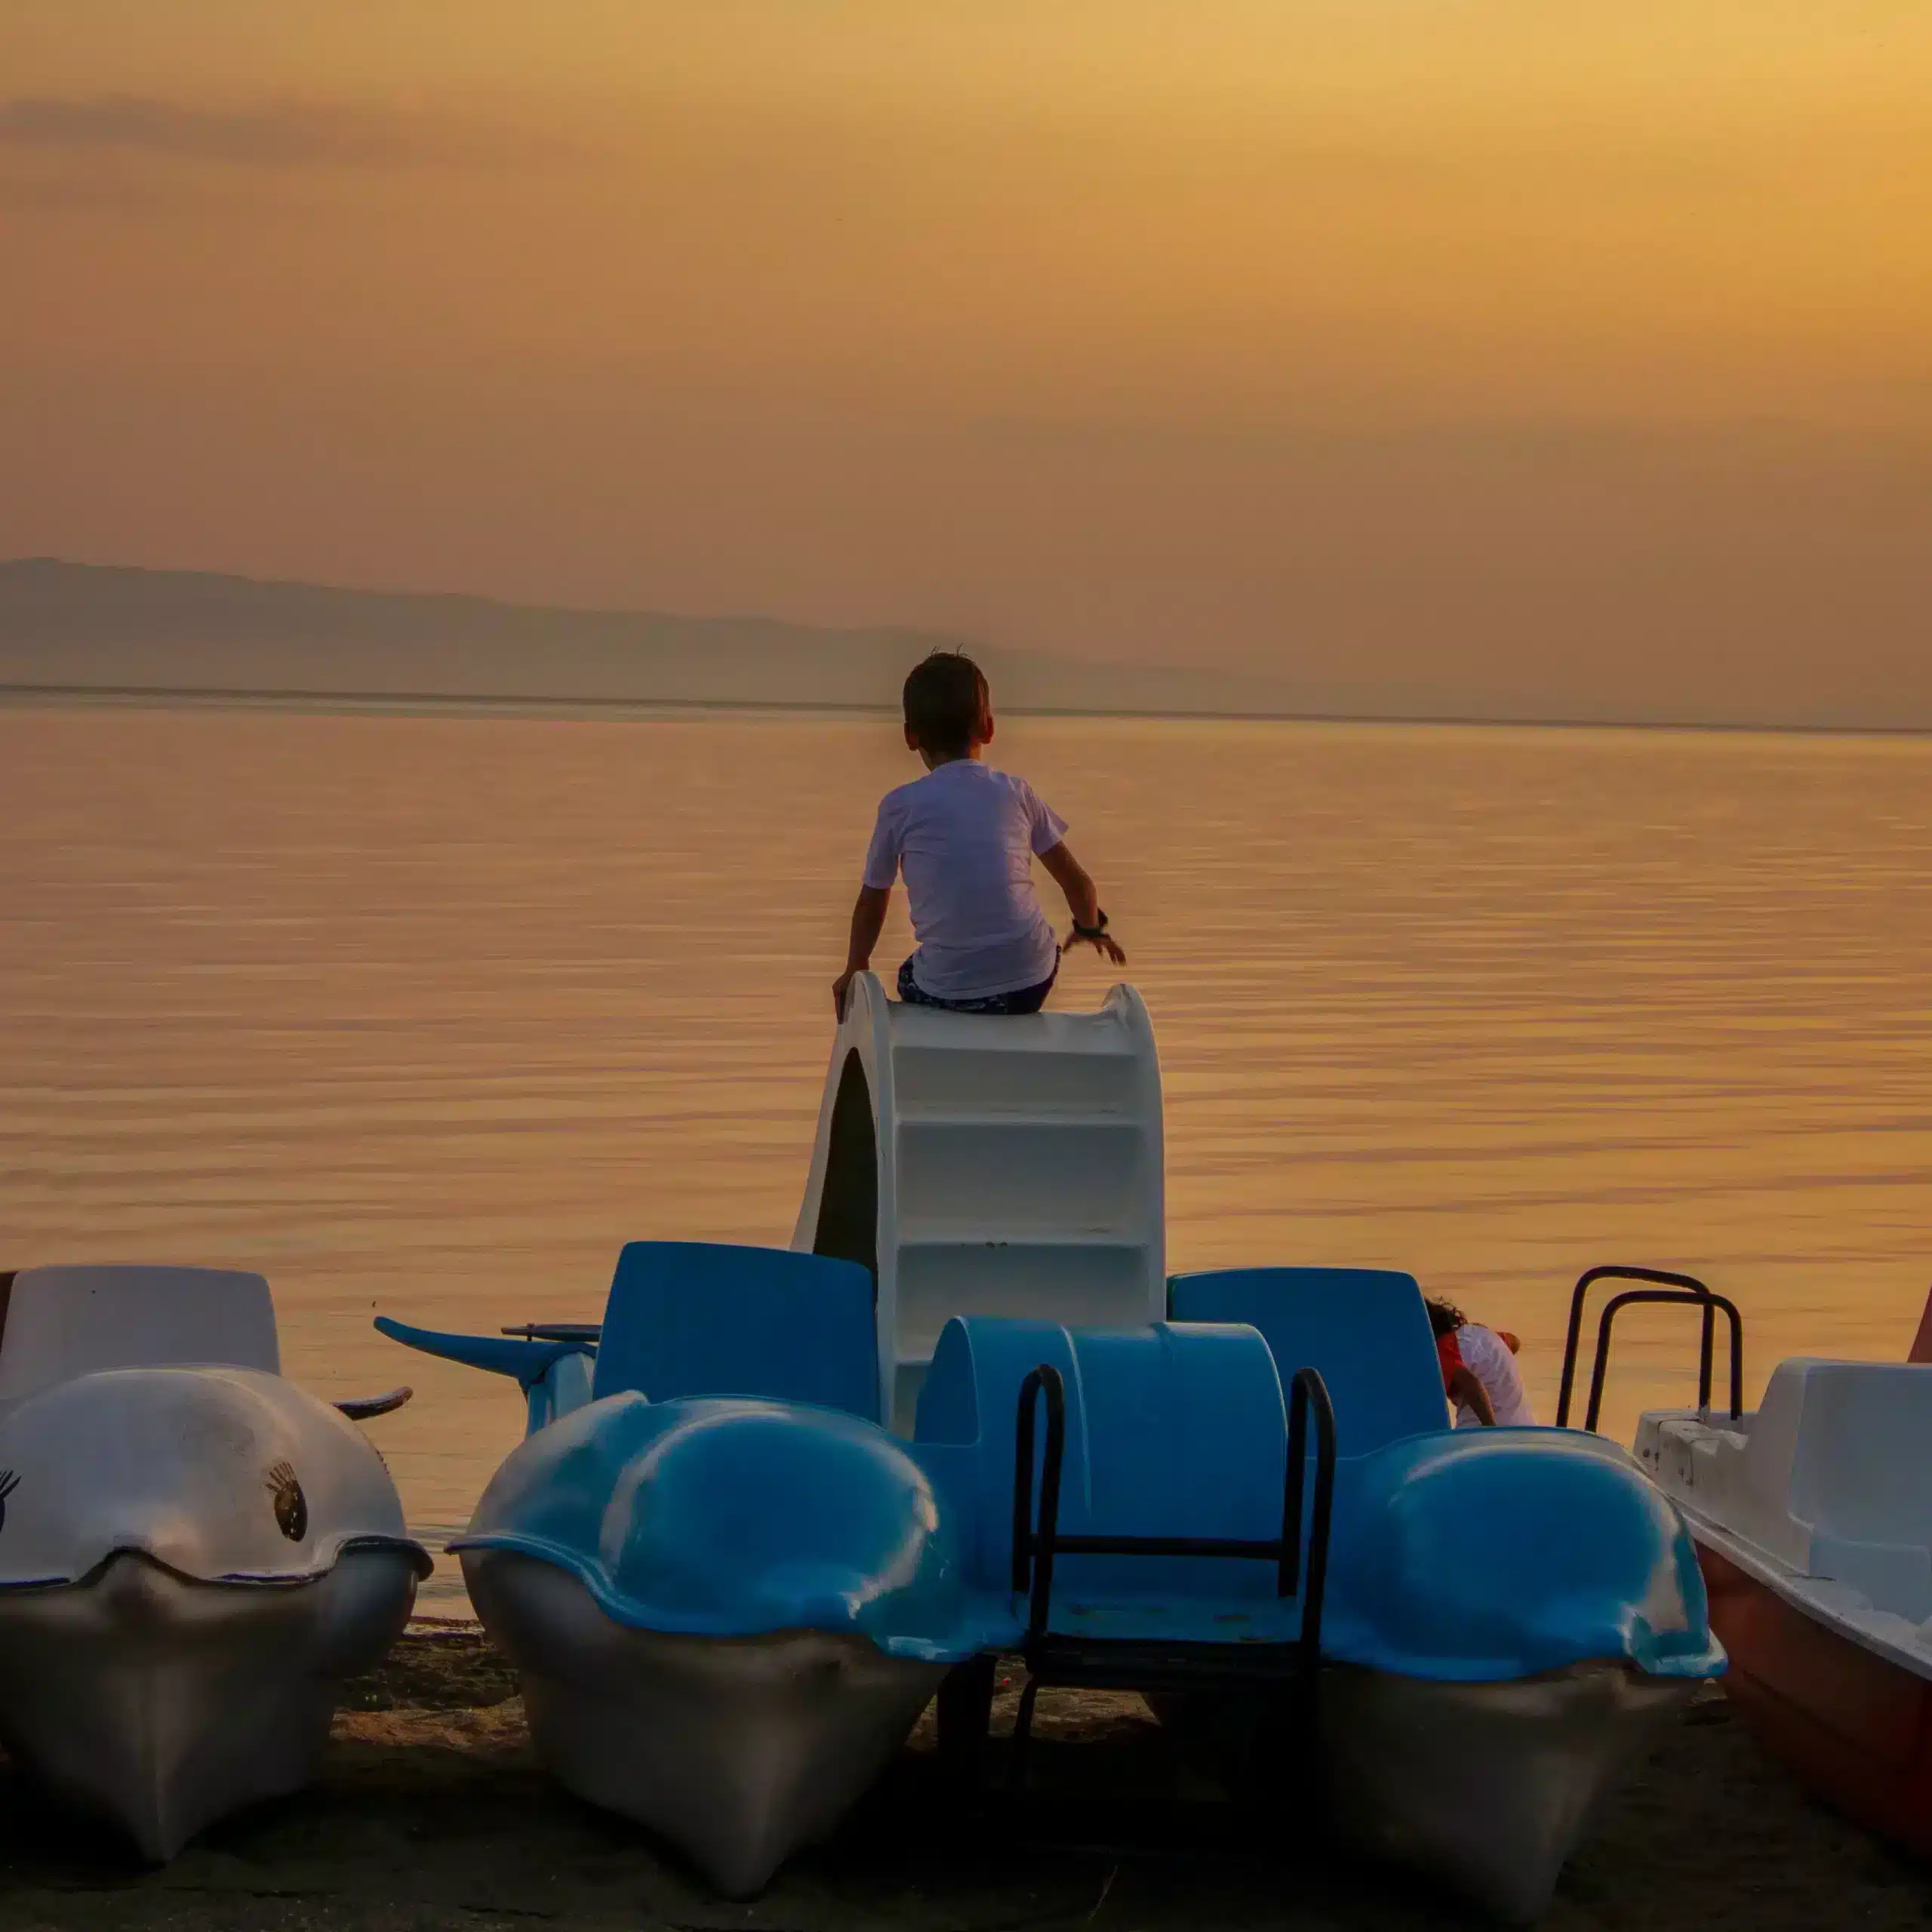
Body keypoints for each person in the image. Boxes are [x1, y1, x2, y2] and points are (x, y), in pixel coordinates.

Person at [832, 651, 1127, 1020]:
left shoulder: (899, 806)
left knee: (907, 975)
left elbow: (873, 899)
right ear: (988, 728)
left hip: (948, 992)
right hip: (1030, 983)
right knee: (1038, 947)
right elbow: (1080, 886)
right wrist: (1089, 928)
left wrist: (855, 966)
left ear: (910, 736)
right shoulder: (1017, 793)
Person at [1426, 1296, 1537, 1429]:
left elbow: (1470, 1382)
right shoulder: (1481, 1336)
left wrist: (1490, 1430)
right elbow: (1514, 1342)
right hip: (1524, 1428)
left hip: (1479, 1435)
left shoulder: (1441, 1350)